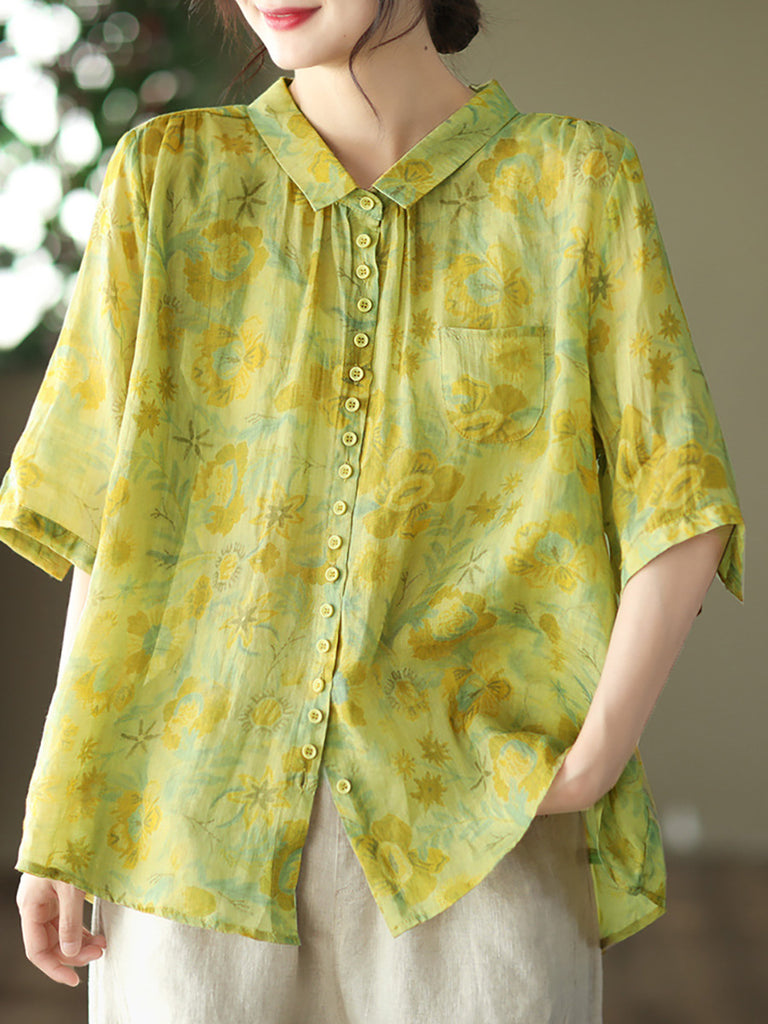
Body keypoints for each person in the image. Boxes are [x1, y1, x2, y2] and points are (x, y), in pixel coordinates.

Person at [2, 1, 746, 1022]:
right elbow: (108, 519)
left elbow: (681, 491)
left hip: (481, 848)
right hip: (181, 845)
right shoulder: (169, 175)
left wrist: (590, 761)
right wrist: (59, 815)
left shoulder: (573, 181)